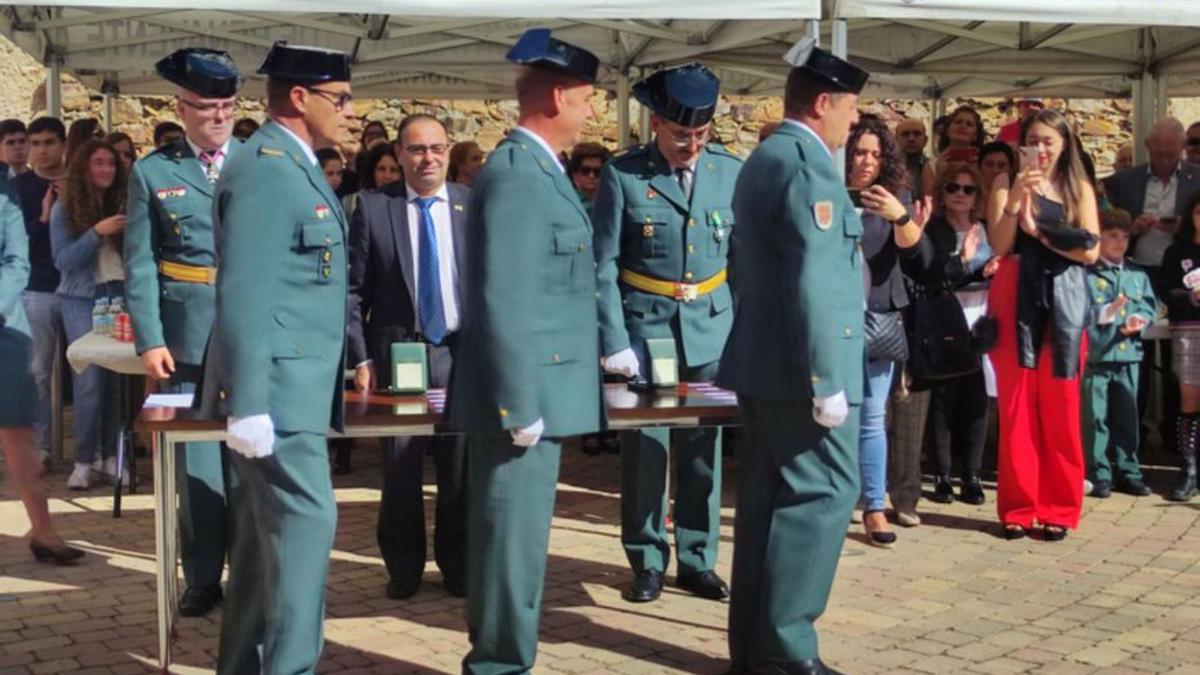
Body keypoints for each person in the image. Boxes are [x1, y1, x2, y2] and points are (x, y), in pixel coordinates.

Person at [445, 28, 604, 674]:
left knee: (519, 540)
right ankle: (498, 664)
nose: (593, 112)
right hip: (522, 397)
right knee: (509, 542)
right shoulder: (518, 172)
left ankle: (505, 657)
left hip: (538, 388)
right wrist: (518, 402)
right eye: (590, 99)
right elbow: (504, 296)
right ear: (561, 96)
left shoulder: (538, 169)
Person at [194, 42, 354, 674]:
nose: (348, 110)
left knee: (266, 550)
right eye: (338, 99)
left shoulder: (293, 162)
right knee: (304, 537)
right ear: (299, 98)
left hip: (297, 387)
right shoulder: (266, 167)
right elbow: (244, 291)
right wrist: (251, 403)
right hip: (280, 395)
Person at [716, 37, 869, 675]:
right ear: (823, 103)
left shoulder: (765, 157)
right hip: (802, 369)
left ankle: (756, 648)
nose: (855, 120)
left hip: (766, 361)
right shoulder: (807, 162)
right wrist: (827, 376)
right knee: (825, 492)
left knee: (768, 503)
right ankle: (788, 649)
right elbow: (817, 278)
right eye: (851, 109)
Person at [591, 63, 739, 604]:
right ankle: (647, 558)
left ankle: (698, 558)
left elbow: (742, 262)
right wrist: (614, 341)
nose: (691, 145)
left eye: (701, 135)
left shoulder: (729, 172)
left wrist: (742, 337)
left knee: (704, 450)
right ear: (657, 124)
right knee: (646, 452)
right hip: (646, 331)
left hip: (712, 329)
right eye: (681, 135)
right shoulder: (625, 174)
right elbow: (602, 263)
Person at [123, 47, 243, 619]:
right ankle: (201, 575)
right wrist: (149, 338)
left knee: (251, 454)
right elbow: (141, 260)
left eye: (226, 106)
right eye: (205, 107)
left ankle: (249, 568)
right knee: (195, 461)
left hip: (248, 330)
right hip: (185, 332)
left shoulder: (257, 161)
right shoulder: (154, 171)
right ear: (182, 107)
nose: (217, 117)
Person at [348, 113, 469, 600]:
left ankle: (459, 565)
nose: (429, 158)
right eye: (417, 149)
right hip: (398, 354)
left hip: (458, 351)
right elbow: (353, 291)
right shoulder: (374, 208)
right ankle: (403, 566)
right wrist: (360, 357)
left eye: (437, 148)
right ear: (398, 154)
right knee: (400, 468)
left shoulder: (471, 205)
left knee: (460, 465)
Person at [987, 108, 1100, 542]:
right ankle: (1018, 507)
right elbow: (1000, 243)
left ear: (1064, 144)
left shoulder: (1078, 186)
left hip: (1065, 300)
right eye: (1033, 140)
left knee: (1060, 406)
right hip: (1014, 294)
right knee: (1016, 406)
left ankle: (1060, 507)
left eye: (1049, 140)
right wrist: (1016, 199)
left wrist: (1041, 232)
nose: (1041, 149)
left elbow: (1089, 250)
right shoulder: (1004, 183)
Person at [846, 116, 928, 547]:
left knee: (873, 418)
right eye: (859, 152)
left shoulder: (895, 198)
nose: (867, 162)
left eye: (876, 154)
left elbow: (917, 253)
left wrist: (901, 217)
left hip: (878, 320)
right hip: (832, 324)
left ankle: (874, 508)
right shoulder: (823, 192)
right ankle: (836, 500)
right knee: (832, 416)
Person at [0, 176, 85, 565]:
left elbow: (17, 263)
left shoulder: (7, 197)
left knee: (19, 434)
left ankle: (44, 532)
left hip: (5, 328)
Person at [1107, 118, 1200, 454]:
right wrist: (1132, 227)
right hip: (1137, 270)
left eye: (1171, 153)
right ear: (1146, 148)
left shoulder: (1197, 177)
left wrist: (1184, 230)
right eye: (1158, 153)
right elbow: (1111, 226)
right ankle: (1136, 431)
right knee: (1137, 352)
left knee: (1183, 355)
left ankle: (1177, 430)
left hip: (1182, 273)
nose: (1164, 160)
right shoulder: (1125, 181)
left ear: (1182, 149)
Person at [918, 162, 998, 505]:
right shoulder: (933, 230)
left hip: (980, 318)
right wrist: (965, 263)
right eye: (953, 188)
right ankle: (942, 474)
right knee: (942, 402)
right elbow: (934, 276)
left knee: (977, 402)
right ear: (942, 193)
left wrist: (992, 268)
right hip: (945, 320)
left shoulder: (986, 229)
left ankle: (973, 474)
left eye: (969, 189)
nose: (961, 195)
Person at [49, 139, 126, 489]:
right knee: (89, 378)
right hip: (80, 299)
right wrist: (97, 232)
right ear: (84, 167)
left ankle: (112, 457)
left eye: (111, 163)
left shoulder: (124, 203)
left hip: (119, 296)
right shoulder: (64, 208)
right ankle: (84, 459)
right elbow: (63, 260)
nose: (107, 169)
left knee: (115, 380)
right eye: (99, 163)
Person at [1083, 209, 1157, 499]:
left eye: (1125, 237)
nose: (1119, 243)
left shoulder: (1136, 274)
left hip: (1128, 354)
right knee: (1095, 416)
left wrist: (1141, 320)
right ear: (1099, 238)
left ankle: (1129, 470)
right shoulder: (1088, 274)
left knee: (1128, 415)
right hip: (1097, 354)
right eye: (1112, 236)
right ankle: (1098, 472)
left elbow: (1150, 305)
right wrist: (1106, 312)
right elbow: (1078, 312)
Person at [14, 117, 67, 470]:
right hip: (38, 288)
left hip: (83, 289)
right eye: (36, 143)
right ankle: (42, 448)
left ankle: (93, 453)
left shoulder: (80, 180)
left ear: (63, 144)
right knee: (38, 371)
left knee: (90, 372)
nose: (42, 150)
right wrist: (45, 218)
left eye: (49, 142)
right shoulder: (18, 189)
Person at [1160, 190, 1200, 502]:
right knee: (1189, 396)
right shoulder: (1177, 252)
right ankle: (1187, 470)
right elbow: (1167, 291)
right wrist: (1192, 297)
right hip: (1188, 329)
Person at [922, 106, 986, 197]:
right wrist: (941, 175)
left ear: (975, 135)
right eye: (958, 122)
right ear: (947, 130)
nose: (963, 126)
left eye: (969, 124)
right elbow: (929, 201)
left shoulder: (984, 163)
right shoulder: (932, 166)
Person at [342, 142, 401, 218]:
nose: (387, 176)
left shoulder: (409, 203)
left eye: (393, 170)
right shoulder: (353, 203)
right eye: (381, 169)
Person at [978, 140, 1016, 221]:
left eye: (1001, 165)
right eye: (989, 165)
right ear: (979, 167)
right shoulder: (967, 196)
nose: (995, 170)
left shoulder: (1016, 200)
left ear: (1011, 169)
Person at [568, 141, 609, 208]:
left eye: (597, 171)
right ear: (575, 174)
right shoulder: (568, 200)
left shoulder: (613, 203)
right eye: (585, 171)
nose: (591, 176)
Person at [896, 117, 928, 197]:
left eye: (917, 134)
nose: (911, 139)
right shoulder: (886, 169)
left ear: (925, 141)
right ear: (896, 140)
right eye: (905, 134)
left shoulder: (934, 169)